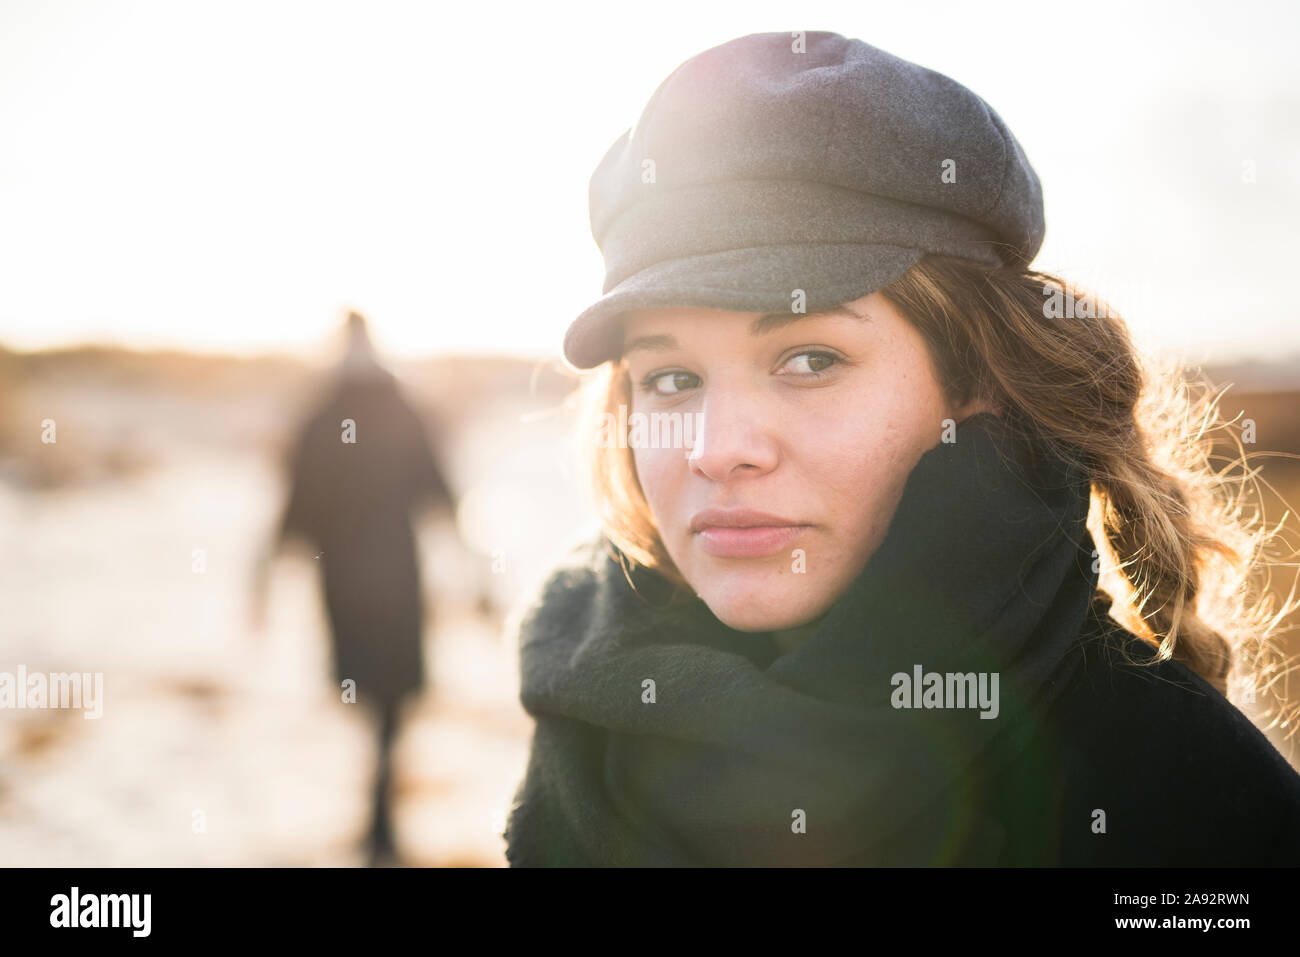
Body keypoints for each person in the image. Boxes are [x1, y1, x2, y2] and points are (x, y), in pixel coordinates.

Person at [501, 31, 1300, 866]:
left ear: (981, 385)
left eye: (810, 360)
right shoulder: (587, 719)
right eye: (670, 378)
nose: (716, 450)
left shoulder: (1196, 806)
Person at [251, 310, 455, 866]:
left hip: (341, 578)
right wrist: (472, 569)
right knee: (394, 693)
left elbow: (294, 505)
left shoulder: (320, 415)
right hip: (397, 576)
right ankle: (382, 805)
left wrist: (264, 580)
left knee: (362, 686)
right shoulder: (404, 411)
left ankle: (379, 808)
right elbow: (442, 494)